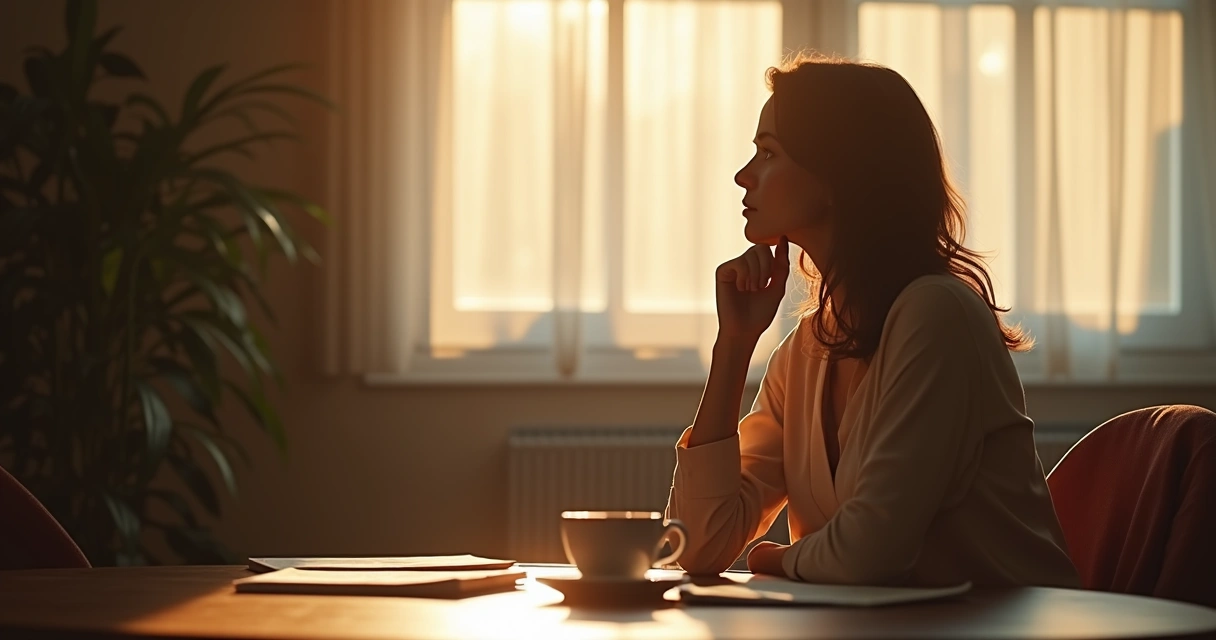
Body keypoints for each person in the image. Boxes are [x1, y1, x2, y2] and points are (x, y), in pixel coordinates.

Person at [664, 54, 1080, 588]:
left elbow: (869, 552)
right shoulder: (805, 349)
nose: (743, 175)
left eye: (768, 153)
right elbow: (697, 544)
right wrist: (734, 347)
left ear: (839, 171)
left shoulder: (936, 316)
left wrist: (773, 560)